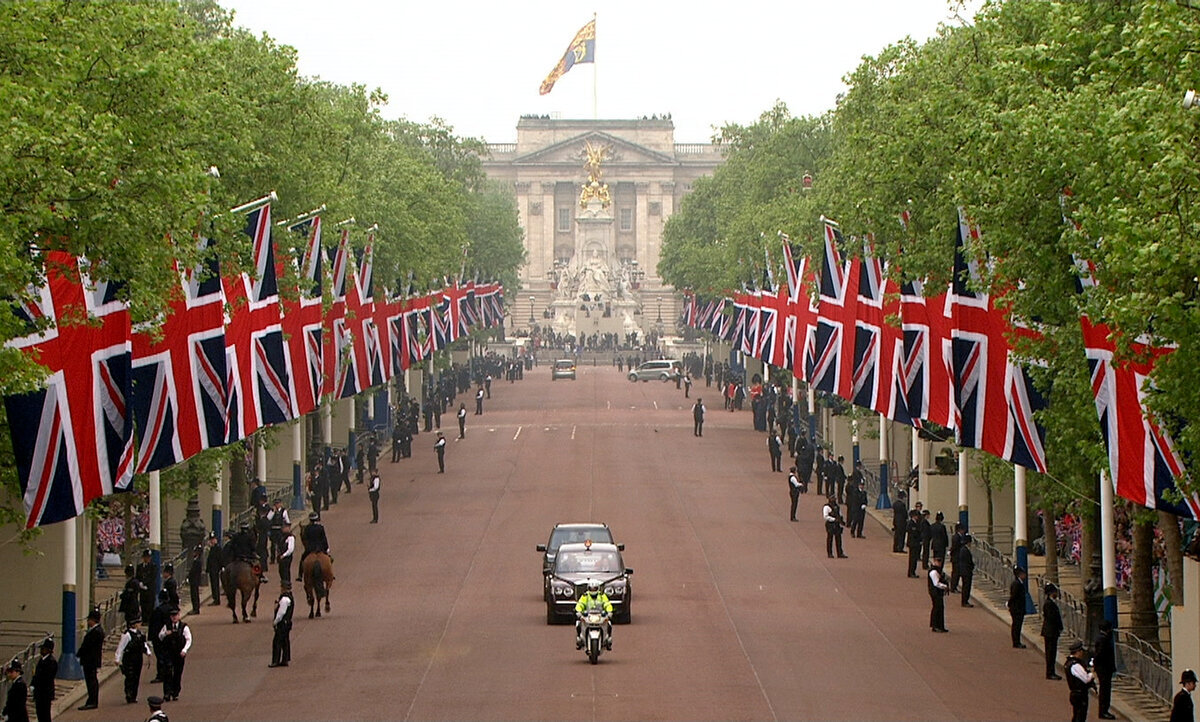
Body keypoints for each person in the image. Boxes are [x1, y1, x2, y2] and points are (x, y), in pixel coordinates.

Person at [115, 616, 152, 704]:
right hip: (129, 658)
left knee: (136, 677)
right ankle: (129, 693)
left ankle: (134, 696)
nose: (140, 624)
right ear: (134, 625)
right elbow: (121, 647)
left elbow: (144, 644)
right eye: (138, 623)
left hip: (138, 658)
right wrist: (117, 658)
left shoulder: (140, 634)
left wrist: (148, 652)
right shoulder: (127, 635)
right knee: (129, 676)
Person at [157, 608, 191, 702]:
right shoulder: (166, 626)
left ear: (179, 616)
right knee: (168, 672)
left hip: (179, 653)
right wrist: (165, 634)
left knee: (177, 673)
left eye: (175, 615)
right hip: (169, 652)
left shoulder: (184, 627)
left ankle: (175, 692)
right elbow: (160, 636)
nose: (174, 617)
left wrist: (184, 650)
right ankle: (167, 693)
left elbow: (188, 639)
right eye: (172, 616)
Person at [574, 580, 613, 651]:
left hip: (599, 615)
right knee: (578, 623)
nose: (593, 590)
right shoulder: (585, 596)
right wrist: (579, 611)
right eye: (591, 589)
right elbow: (580, 604)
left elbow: (607, 604)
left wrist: (609, 611)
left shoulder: (602, 595)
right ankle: (579, 639)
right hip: (588, 615)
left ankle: (608, 640)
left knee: (609, 623)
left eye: (594, 589)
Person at [77, 607, 104, 710]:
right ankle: (91, 700)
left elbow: (88, 646)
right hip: (90, 659)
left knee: (91, 680)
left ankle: (93, 701)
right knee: (91, 680)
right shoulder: (95, 631)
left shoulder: (96, 632)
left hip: (90, 660)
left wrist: (81, 653)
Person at [1064, 640, 1096, 722]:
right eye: (1081, 651)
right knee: (1080, 716)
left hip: (1076, 694)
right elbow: (1086, 679)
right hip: (1079, 694)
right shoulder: (1075, 665)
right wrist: (1092, 674)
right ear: (1078, 652)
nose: (1082, 654)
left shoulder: (1069, 663)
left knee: (1077, 715)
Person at [1093, 620, 1117, 719]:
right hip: (1104, 669)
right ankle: (1103, 711)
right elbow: (1101, 654)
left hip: (1103, 668)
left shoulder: (1101, 638)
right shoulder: (1104, 640)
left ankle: (1104, 710)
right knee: (1105, 690)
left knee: (1105, 690)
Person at [31, 637, 56, 722]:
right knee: (40, 714)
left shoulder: (51, 662)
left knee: (45, 714)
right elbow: (36, 675)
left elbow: (46, 678)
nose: (41, 650)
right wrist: (32, 684)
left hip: (45, 693)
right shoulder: (42, 660)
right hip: (39, 693)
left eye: (43, 649)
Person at [1041, 583, 1064, 679]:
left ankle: (1051, 671)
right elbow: (1052, 618)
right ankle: (1050, 672)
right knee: (1050, 653)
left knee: (1052, 653)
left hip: (1051, 631)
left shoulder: (1050, 603)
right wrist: (1059, 626)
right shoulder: (1049, 604)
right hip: (1050, 632)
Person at [269, 583, 294, 668]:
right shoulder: (290, 597)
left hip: (282, 623)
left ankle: (275, 660)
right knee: (285, 641)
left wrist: (275, 621)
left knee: (277, 641)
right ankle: (285, 659)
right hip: (287, 623)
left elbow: (281, 613)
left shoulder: (284, 599)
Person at [1008, 566, 1029, 648]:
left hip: (1018, 608)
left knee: (1017, 626)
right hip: (1017, 609)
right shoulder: (1017, 584)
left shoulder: (1018, 583)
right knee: (1017, 626)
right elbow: (1014, 596)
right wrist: (1009, 604)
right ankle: (1016, 642)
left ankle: (1017, 641)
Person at [928, 556, 949, 633]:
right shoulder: (934, 572)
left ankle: (940, 625)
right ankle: (935, 625)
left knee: (940, 608)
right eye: (938, 561)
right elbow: (936, 583)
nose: (939, 563)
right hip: (935, 592)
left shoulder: (938, 571)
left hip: (938, 592)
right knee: (937, 608)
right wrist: (945, 586)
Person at [136, 549, 157, 622]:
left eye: (149, 557)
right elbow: (138, 576)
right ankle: (144, 619)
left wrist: (145, 583)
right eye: (146, 557)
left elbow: (152, 577)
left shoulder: (153, 566)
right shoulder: (140, 567)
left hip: (150, 589)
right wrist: (140, 583)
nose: (148, 559)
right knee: (143, 604)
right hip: (142, 590)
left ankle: (149, 620)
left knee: (150, 605)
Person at [205, 532, 223, 605]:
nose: (212, 541)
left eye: (213, 539)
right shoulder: (212, 548)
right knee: (213, 584)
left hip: (215, 569)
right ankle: (215, 598)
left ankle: (216, 599)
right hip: (212, 569)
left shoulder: (217, 548)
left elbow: (220, 559)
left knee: (215, 584)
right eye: (211, 539)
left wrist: (220, 567)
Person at [957, 534, 975, 607]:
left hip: (965, 570)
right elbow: (968, 562)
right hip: (966, 571)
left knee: (966, 586)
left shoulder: (963, 549)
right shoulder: (965, 550)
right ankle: (965, 601)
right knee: (966, 587)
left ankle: (965, 600)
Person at [906, 510, 923, 578]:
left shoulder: (916, 523)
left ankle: (912, 571)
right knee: (912, 559)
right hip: (913, 543)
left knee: (914, 558)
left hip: (915, 543)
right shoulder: (911, 523)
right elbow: (913, 533)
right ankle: (911, 572)